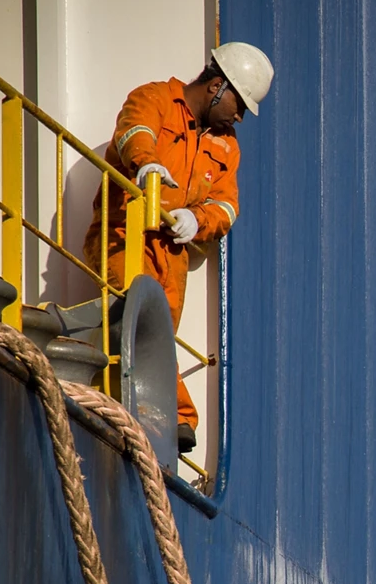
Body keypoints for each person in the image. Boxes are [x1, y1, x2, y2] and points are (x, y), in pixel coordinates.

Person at [83, 41, 273, 454]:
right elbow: (135, 130)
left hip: (171, 251)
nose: (239, 116)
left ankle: (163, 417)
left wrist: (198, 218)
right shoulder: (154, 98)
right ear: (218, 86)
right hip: (124, 232)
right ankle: (176, 418)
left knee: (158, 332)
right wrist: (145, 163)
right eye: (239, 104)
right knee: (137, 318)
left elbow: (227, 205)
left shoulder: (227, 146)